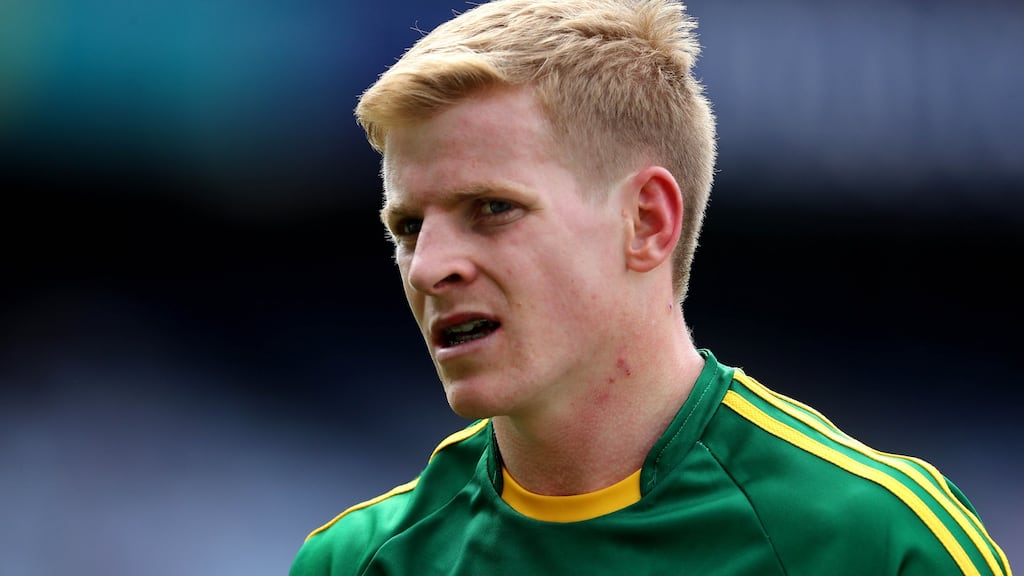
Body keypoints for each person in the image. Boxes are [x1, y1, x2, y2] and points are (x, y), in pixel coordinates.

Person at [290, 0, 1011, 574]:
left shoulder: (876, 545)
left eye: (492, 209)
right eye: (409, 227)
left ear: (647, 222)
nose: (429, 267)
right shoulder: (356, 563)